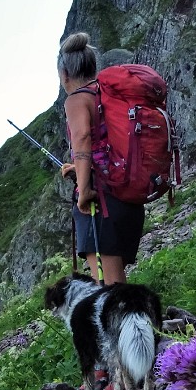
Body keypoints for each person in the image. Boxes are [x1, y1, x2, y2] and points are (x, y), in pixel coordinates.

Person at [57, 31, 145, 287]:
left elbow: (83, 137)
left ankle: (131, 326)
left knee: (110, 288)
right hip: (126, 192)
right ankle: (133, 324)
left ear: (65, 75)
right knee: (116, 282)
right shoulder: (106, 94)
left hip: (102, 198)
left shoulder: (76, 99)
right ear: (93, 67)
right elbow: (104, 144)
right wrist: (80, 167)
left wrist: (83, 190)